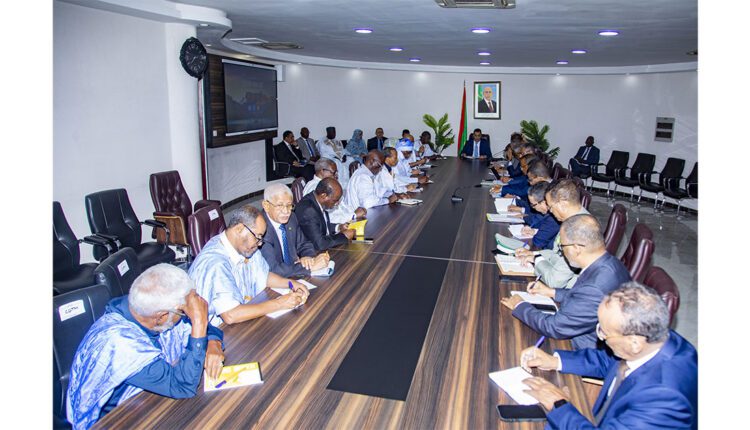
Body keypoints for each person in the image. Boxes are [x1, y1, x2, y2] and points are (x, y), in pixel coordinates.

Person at [66, 264, 224, 429]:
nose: (190, 312)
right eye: (185, 310)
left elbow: (200, 328)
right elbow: (182, 386)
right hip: (119, 420)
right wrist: (199, 322)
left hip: (148, 401)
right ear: (162, 317)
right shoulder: (120, 344)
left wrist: (213, 343)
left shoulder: (144, 309)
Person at [519, 283, 697, 428]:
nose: (600, 337)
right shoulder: (654, 336)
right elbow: (610, 361)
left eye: (604, 332)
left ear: (634, 343)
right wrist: (555, 361)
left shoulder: (663, 400)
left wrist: (559, 404)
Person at [501, 214, 631, 350]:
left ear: (576, 248)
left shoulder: (595, 285)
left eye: (562, 246)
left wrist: (520, 305)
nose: (562, 251)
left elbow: (554, 327)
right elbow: (584, 297)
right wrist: (552, 292)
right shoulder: (609, 263)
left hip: (580, 348)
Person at [188, 205, 310, 326]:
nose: (259, 243)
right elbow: (231, 315)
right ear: (239, 229)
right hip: (217, 331)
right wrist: (280, 304)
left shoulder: (246, 247)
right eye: (258, 237)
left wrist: (291, 283)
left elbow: (263, 275)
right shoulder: (216, 262)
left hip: (243, 318)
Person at [515, 179, 590, 289]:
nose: (549, 211)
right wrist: (533, 254)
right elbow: (556, 254)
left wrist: (536, 260)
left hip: (570, 291)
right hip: (558, 276)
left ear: (563, 204)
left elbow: (555, 281)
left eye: (550, 207)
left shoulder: (578, 231)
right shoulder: (572, 220)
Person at [260, 184, 330, 278]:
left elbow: (304, 244)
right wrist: (308, 267)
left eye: (289, 205)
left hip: (293, 274)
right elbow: (273, 270)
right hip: (275, 281)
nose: (286, 211)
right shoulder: (260, 229)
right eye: (280, 205)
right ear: (266, 206)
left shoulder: (291, 218)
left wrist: (308, 257)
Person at [295, 177, 357, 252]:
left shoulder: (316, 200)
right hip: (313, 253)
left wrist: (338, 227)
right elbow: (320, 244)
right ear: (324, 196)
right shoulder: (308, 210)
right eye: (335, 200)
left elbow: (318, 225)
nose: (337, 204)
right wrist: (344, 236)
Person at [303, 158, 367, 223]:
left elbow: (343, 206)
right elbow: (328, 218)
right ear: (322, 171)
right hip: (337, 225)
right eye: (333, 172)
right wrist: (353, 215)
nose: (336, 175)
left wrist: (354, 212)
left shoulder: (330, 184)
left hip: (346, 220)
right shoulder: (314, 188)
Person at [521, 182, 560, 250]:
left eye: (533, 205)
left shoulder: (554, 217)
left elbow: (538, 242)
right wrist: (534, 231)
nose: (533, 208)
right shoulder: (546, 213)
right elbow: (537, 222)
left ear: (543, 202)